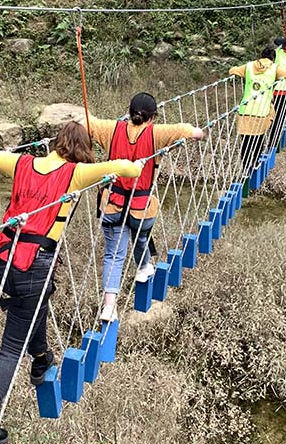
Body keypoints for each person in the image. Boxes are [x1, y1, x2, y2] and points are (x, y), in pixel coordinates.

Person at [0, 121, 143, 444]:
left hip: (1, 258)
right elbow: (124, 168)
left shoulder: (22, 163)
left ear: (57, 143)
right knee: (11, 348)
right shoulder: (76, 173)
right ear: (80, 150)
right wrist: (139, 163)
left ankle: (42, 358)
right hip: (34, 264)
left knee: (33, 309)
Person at [85, 93, 204, 321]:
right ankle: (142, 268)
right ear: (153, 117)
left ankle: (109, 307)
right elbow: (192, 132)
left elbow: (86, 123)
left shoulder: (112, 129)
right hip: (141, 207)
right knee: (140, 238)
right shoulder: (157, 133)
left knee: (113, 255)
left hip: (112, 205)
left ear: (129, 112)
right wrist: (202, 132)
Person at [229, 46, 286, 178]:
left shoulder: (248, 66)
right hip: (262, 111)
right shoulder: (274, 68)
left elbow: (232, 71)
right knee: (258, 138)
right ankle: (255, 162)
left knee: (246, 141)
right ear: (272, 58)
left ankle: (245, 168)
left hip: (245, 110)